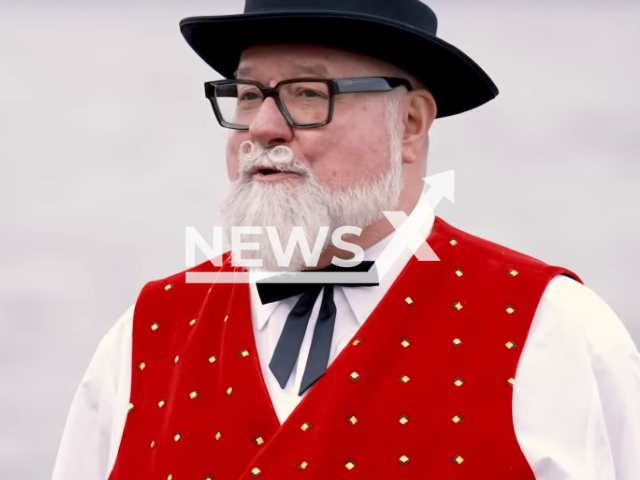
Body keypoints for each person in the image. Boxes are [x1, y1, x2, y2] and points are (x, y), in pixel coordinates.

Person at [52, 1, 640, 479]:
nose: (262, 128)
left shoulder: (554, 330)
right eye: (250, 94)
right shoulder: (147, 331)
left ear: (410, 123)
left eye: (309, 93)